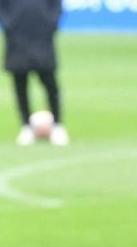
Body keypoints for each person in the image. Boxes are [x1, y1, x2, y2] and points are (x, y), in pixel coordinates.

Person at [0, 0, 67, 145]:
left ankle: (57, 125)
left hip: (42, 38)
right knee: (20, 86)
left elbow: (56, 6)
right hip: (17, 39)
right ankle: (26, 126)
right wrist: (10, 24)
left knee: (50, 84)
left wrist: (50, 24)